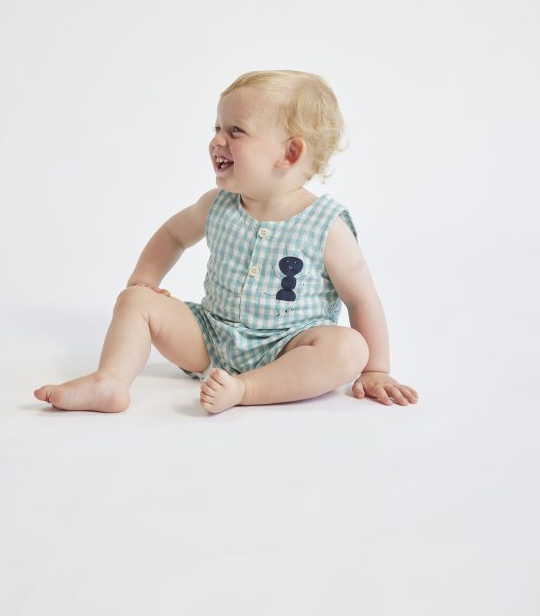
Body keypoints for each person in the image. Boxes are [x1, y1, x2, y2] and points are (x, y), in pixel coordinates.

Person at [34, 69, 418, 414]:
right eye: (217, 128)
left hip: (290, 347)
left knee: (349, 348)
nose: (217, 140)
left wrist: (376, 370)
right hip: (210, 338)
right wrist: (145, 281)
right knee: (134, 300)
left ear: (289, 153)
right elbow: (173, 235)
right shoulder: (217, 205)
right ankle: (111, 382)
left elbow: (361, 299)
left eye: (236, 131)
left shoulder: (326, 226)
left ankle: (247, 389)